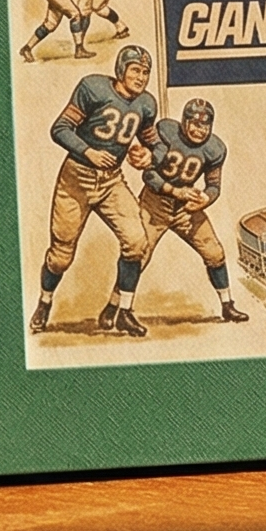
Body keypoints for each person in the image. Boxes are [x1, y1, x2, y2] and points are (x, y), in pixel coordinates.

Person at [30, 45, 158, 339]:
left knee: (137, 242)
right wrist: (89, 152)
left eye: (146, 72)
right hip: (77, 178)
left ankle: (123, 310)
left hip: (112, 180)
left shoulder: (146, 104)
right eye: (136, 70)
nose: (141, 77)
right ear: (121, 70)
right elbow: (60, 128)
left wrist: (148, 156)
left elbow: (154, 143)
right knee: (61, 256)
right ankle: (45, 301)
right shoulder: (93, 87)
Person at [135, 97, 248, 324]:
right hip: (155, 203)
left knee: (214, 252)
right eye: (195, 124)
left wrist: (205, 199)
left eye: (204, 125)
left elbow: (214, 185)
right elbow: (149, 174)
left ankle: (227, 305)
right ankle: (115, 305)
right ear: (184, 121)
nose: (199, 130)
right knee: (137, 254)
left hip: (185, 208)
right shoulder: (166, 132)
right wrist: (177, 192)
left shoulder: (214, 149)